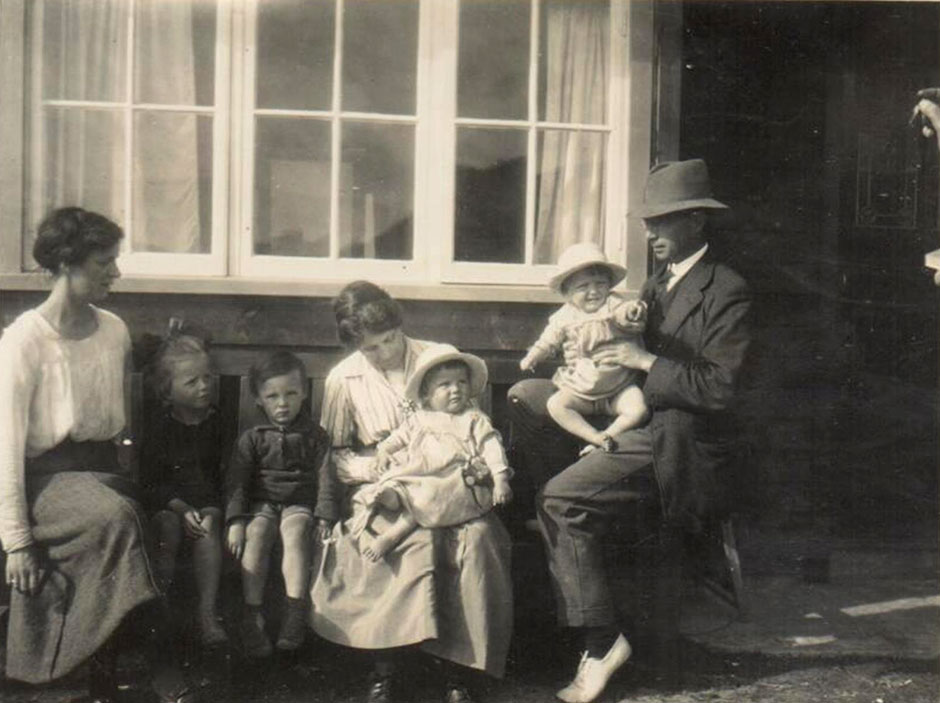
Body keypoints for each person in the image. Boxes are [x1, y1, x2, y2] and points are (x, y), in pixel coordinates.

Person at [507, 159, 752, 703]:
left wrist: (642, 361)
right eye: (648, 221)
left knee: (560, 500)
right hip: (630, 413)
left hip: (679, 437)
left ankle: (600, 642)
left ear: (695, 222)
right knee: (527, 397)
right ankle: (574, 529)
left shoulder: (726, 289)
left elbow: (720, 390)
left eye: (660, 221)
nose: (649, 232)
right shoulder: (656, 283)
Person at [0, 207, 197, 702]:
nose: (115, 272)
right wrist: (17, 542)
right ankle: (161, 664)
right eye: (104, 262)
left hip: (106, 475)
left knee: (130, 516)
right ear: (68, 263)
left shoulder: (113, 330)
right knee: (122, 517)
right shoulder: (25, 340)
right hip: (46, 482)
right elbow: (4, 444)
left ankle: (104, 680)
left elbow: (122, 422)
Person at [310, 281, 513, 703]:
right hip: (384, 485)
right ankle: (386, 666)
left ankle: (459, 667)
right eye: (371, 348)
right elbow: (336, 453)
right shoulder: (342, 379)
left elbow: (474, 427)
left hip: (452, 485)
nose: (385, 353)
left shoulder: (438, 356)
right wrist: (383, 471)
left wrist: (475, 470)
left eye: (390, 340)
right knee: (404, 540)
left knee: (477, 540)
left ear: (399, 327)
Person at [224, 350, 340, 657]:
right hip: (262, 504)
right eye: (272, 396)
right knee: (257, 534)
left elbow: (326, 476)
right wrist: (235, 521)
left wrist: (325, 515)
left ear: (304, 392)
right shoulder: (251, 437)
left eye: (291, 393)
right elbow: (237, 482)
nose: (283, 403)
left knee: (295, 531)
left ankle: (294, 610)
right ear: (259, 399)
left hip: (299, 503)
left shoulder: (315, 436)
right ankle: (253, 614)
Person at [355, 343, 513, 561]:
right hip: (420, 472)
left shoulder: (473, 419)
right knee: (397, 477)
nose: (456, 389)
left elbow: (491, 447)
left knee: (428, 495)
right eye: (445, 385)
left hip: (453, 478)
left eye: (461, 382)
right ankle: (393, 496)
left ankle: (393, 535)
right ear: (427, 395)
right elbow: (398, 437)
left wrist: (500, 478)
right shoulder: (419, 418)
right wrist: (384, 450)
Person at [140, 329, 229, 647]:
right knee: (166, 525)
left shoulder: (219, 423)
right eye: (192, 381)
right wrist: (178, 506)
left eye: (207, 377)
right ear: (167, 390)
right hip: (170, 505)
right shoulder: (160, 429)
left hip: (208, 504)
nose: (204, 386)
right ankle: (160, 608)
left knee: (209, 527)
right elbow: (150, 481)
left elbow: (225, 476)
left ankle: (207, 613)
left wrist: (210, 508)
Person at [519, 242, 649, 454]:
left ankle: (610, 434)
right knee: (557, 405)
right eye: (583, 287)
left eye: (600, 284)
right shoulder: (564, 317)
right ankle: (594, 437)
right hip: (581, 388)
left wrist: (633, 310)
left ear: (609, 286)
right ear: (568, 293)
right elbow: (548, 340)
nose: (593, 291)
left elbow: (627, 311)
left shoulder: (612, 305)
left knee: (638, 408)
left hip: (618, 388)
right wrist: (533, 356)